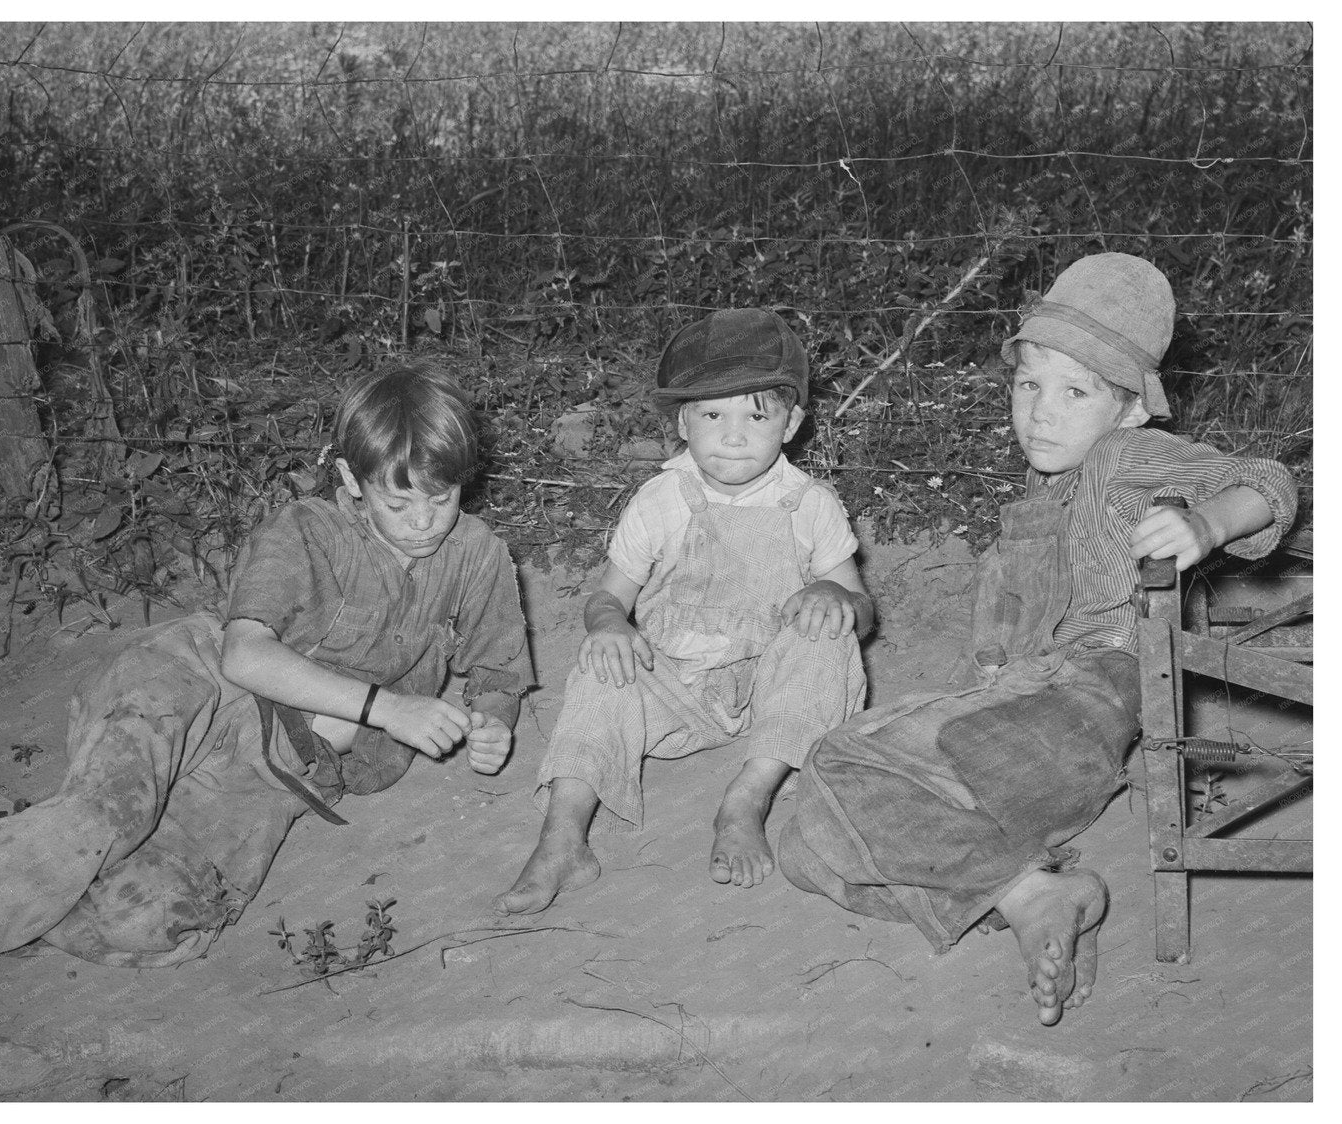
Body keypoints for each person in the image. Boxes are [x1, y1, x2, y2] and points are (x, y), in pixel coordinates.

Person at [0, 364, 533, 997]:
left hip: (278, 765)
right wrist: (386, 708)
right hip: (189, 687)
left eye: (441, 498)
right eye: (399, 501)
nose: (424, 521)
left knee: (156, 920)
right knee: (108, 815)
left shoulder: (477, 555)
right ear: (351, 480)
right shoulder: (307, 530)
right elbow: (244, 656)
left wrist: (494, 723)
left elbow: (498, 671)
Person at [775, 253, 1298, 1026]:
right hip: (1029, 754)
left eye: (1074, 392)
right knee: (802, 850)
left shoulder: (1123, 454)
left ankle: (1025, 893)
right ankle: (1036, 896)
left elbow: (1270, 479)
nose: (1042, 413)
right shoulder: (1049, 484)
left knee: (838, 760)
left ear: (1129, 410)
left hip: (1082, 701)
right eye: (1029, 386)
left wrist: (1209, 522)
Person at [495, 308, 873, 915]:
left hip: (773, 688)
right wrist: (609, 625)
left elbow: (863, 610)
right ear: (681, 422)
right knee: (600, 664)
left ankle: (746, 800)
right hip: (676, 685)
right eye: (712, 415)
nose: (733, 436)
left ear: (792, 423)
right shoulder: (660, 500)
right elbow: (608, 597)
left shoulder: (810, 504)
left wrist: (837, 597)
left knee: (829, 637)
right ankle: (563, 839)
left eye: (757, 416)